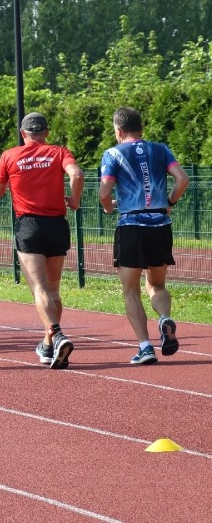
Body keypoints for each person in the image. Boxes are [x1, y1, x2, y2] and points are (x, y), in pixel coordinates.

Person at [0, 112, 84, 370]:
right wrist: (75, 200)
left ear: (23, 134)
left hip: (29, 225)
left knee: (40, 289)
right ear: (46, 132)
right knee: (53, 290)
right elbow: (76, 175)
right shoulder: (59, 152)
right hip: (57, 224)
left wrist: (4, 185)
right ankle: (48, 344)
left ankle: (57, 334)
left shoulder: (9, 155)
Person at [98, 106, 189, 365]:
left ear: (118, 130)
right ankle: (164, 318)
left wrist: (108, 207)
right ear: (142, 128)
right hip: (160, 224)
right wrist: (169, 202)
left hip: (131, 225)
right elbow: (182, 179)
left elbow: (104, 192)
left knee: (131, 290)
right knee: (157, 285)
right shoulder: (160, 149)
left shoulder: (113, 153)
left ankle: (145, 347)